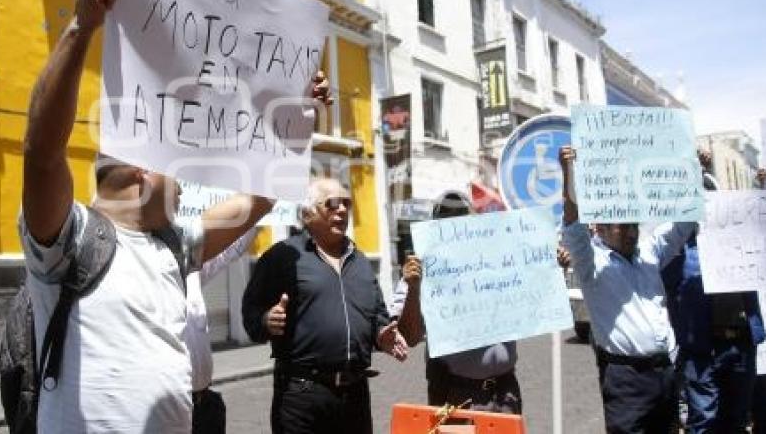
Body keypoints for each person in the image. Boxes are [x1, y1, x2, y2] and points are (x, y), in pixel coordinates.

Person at [20, 0, 332, 433]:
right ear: (142, 171)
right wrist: (81, 27)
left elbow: (260, 199)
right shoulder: (68, 240)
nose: (185, 188)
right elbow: (42, 153)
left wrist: (297, 110)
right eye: (177, 171)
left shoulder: (174, 243)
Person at [242, 177, 407, 434]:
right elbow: (251, 312)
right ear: (308, 214)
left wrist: (381, 335)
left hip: (355, 396)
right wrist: (265, 321)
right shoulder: (284, 256)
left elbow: (378, 317)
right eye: (332, 204)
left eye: (346, 204)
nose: (342, 209)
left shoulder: (360, 261)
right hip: (303, 396)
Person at [559, 145, 697, 433]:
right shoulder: (591, 264)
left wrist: (694, 171)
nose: (632, 232)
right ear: (601, 228)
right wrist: (568, 172)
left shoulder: (650, 252)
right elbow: (572, 225)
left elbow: (684, 221)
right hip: (627, 381)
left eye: (634, 225)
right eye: (624, 226)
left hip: (666, 374)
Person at [661, 150, 766, 433]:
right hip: (701, 350)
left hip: (740, 346)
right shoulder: (678, 251)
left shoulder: (741, 240)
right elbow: (668, 285)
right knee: (704, 420)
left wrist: (763, 186)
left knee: (736, 418)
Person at [392, 193, 523, 414]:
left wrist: (551, 265)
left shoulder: (496, 260)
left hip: (505, 392)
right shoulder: (421, 267)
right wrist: (414, 288)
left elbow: (532, 298)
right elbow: (409, 337)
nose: (454, 225)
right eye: (446, 218)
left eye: (461, 216)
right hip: (455, 393)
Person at [185, 227, 258, 434]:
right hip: (170, 409)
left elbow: (231, 249)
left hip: (203, 405)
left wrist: (259, 213)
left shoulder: (189, 269)